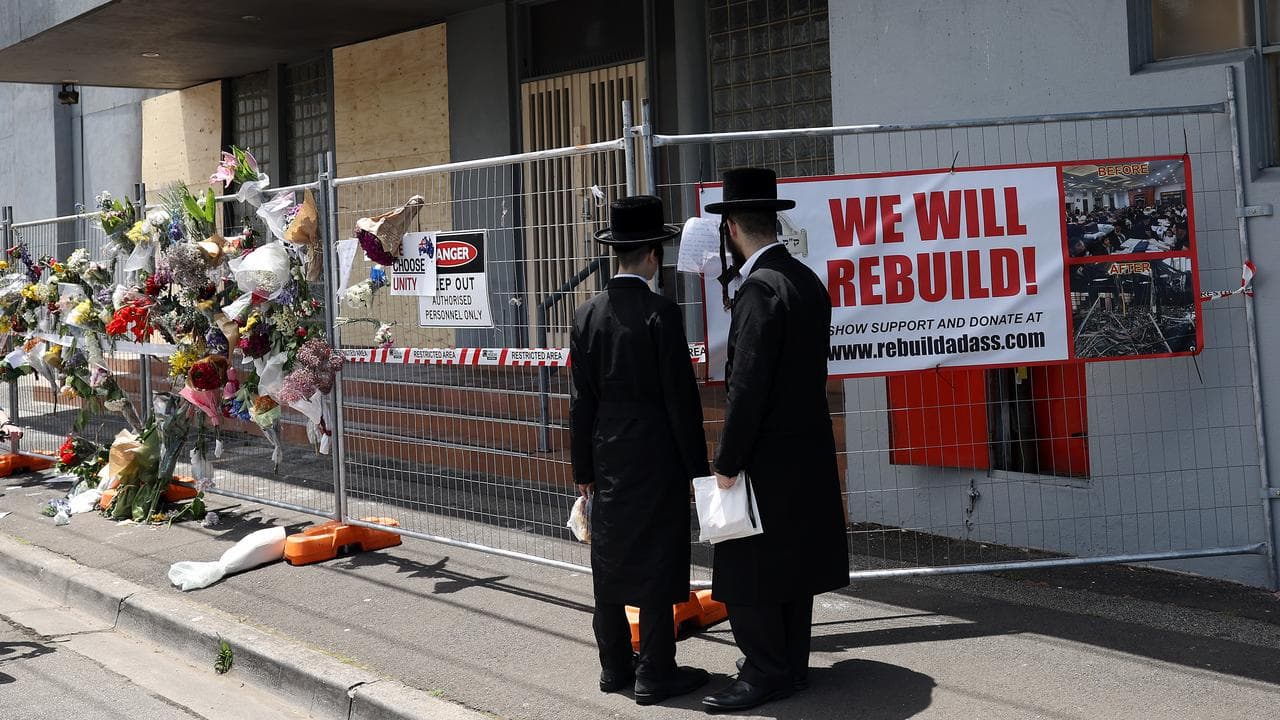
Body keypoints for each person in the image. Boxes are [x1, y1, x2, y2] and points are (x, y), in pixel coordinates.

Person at [700, 168, 850, 713]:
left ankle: (764, 670)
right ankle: (791, 664)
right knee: (793, 561)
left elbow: (748, 385)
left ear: (733, 225)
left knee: (750, 567)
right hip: (807, 444)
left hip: (766, 451)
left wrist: (728, 458)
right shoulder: (806, 279)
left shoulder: (759, 290)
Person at [570, 195, 710, 705]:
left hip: (606, 453)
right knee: (656, 556)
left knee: (608, 556)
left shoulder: (586, 316)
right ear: (653, 255)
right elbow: (681, 400)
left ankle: (613, 666)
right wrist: (698, 469)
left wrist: (582, 468)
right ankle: (655, 670)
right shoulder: (661, 314)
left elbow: (579, 402)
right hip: (656, 453)